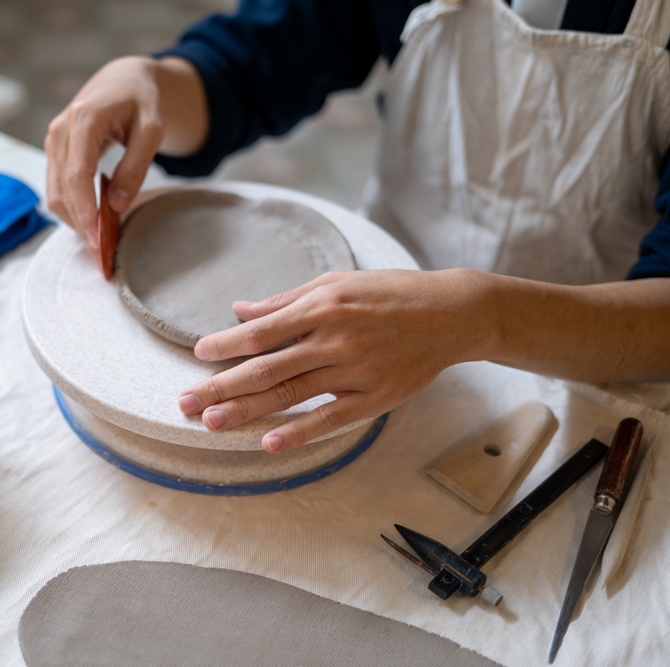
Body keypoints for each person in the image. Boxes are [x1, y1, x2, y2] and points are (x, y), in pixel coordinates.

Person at [44, 0, 670, 454]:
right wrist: (151, 84)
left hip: (602, 372)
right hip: (375, 317)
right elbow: (249, 67)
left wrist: (482, 317)